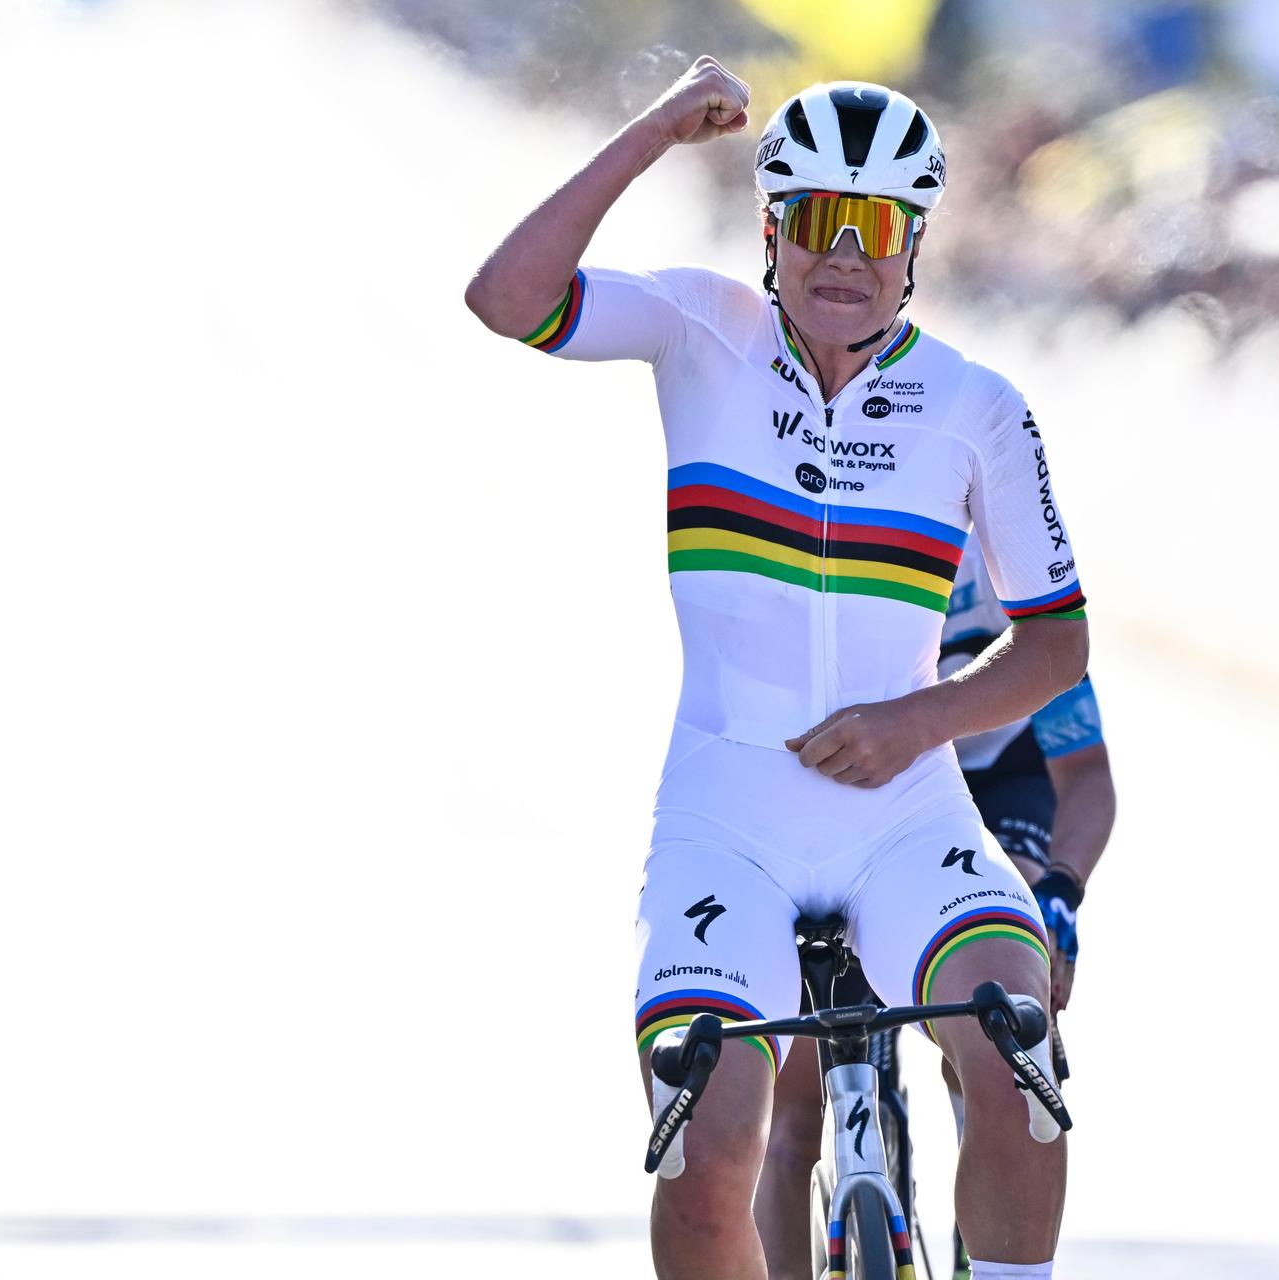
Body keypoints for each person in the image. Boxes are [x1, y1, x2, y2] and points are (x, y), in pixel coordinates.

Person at [464, 58, 1090, 1280]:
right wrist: (650, 131)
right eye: (813, 219)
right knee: (705, 1162)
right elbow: (506, 297)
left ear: (915, 242)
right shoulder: (702, 328)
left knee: (1020, 1057)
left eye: (874, 227)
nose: (841, 255)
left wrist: (919, 720)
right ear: (771, 227)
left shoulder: (977, 405)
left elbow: (1057, 643)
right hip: (727, 818)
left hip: (907, 815)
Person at [757, 539, 1117, 1278]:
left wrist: (1060, 896)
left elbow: (1086, 775)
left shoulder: (999, 561)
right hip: (851, 790)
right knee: (789, 1116)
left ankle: (979, 1223)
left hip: (995, 787)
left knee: (1003, 1014)